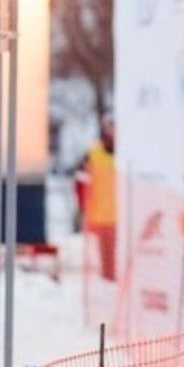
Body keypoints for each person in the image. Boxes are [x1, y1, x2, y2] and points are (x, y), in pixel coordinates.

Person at [81, 115, 116, 281]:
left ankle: (113, 280)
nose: (113, 132)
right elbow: (80, 180)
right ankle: (106, 281)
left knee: (117, 253)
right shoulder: (93, 153)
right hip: (99, 212)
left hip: (118, 214)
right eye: (110, 127)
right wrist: (84, 204)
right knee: (104, 253)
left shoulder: (125, 152)